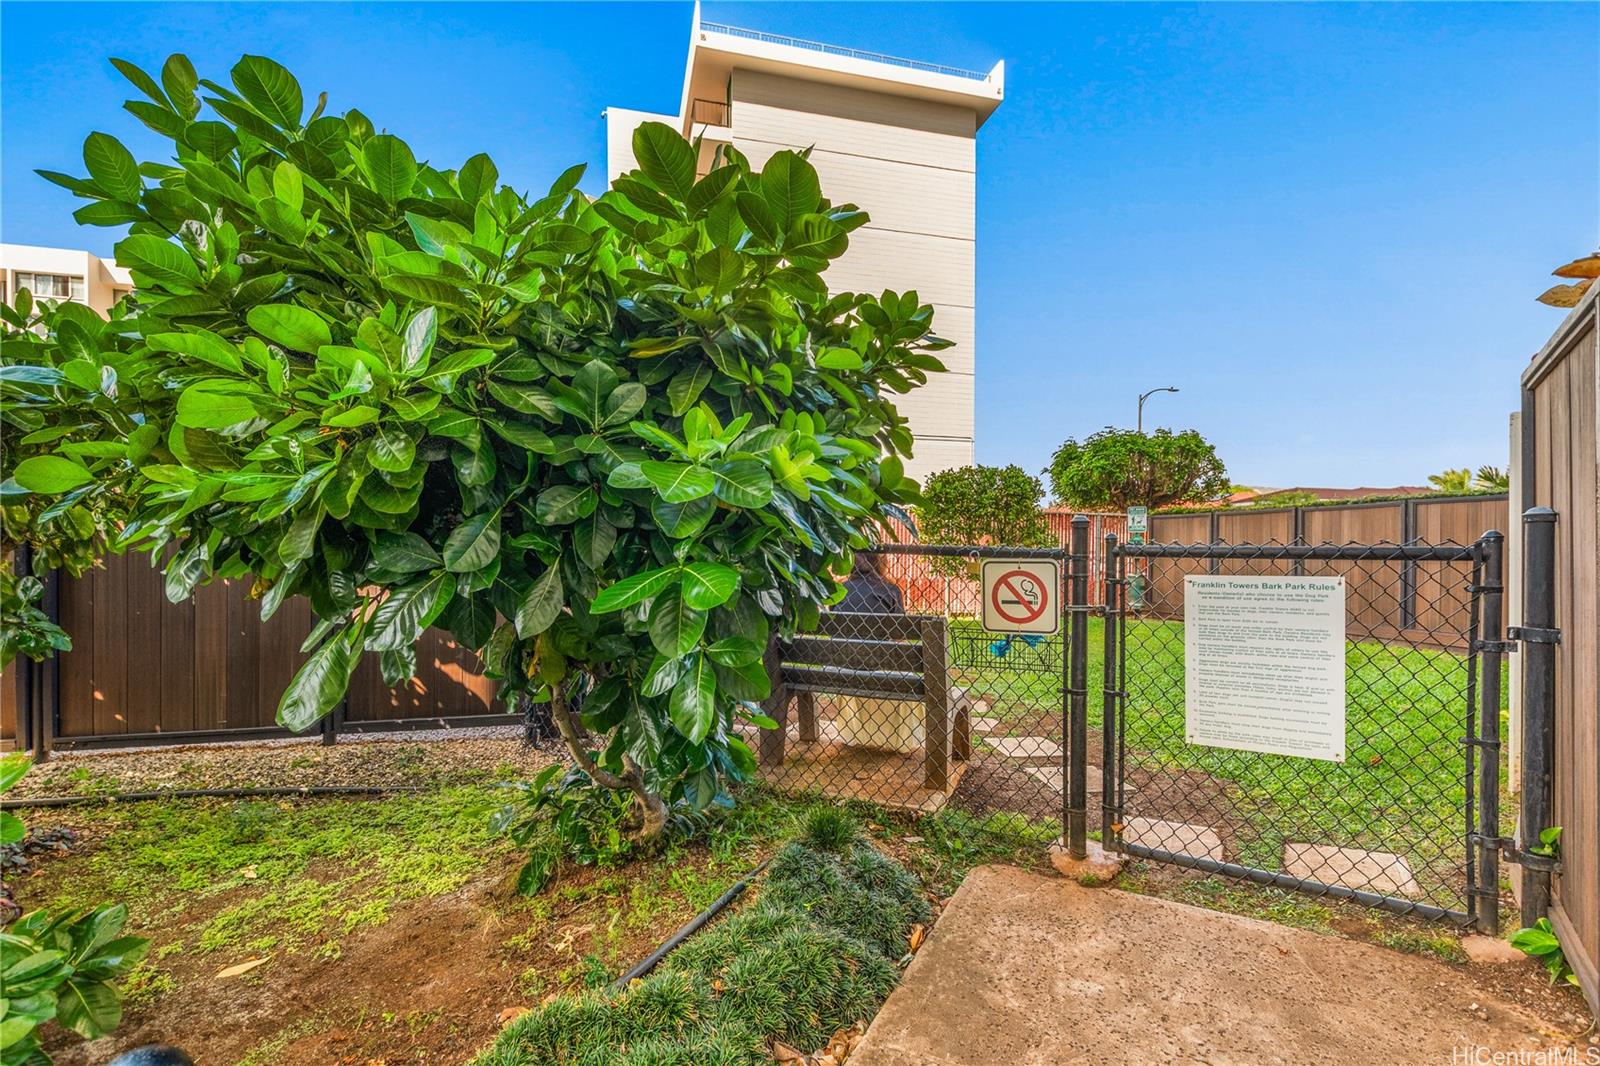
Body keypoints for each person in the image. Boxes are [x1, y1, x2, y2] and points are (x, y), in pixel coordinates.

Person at [829, 552, 922, 754]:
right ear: (881, 562)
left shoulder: (839, 590)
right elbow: (900, 636)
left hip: (840, 667)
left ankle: (859, 733)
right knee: (902, 671)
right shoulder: (889, 590)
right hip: (880, 666)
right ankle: (897, 739)